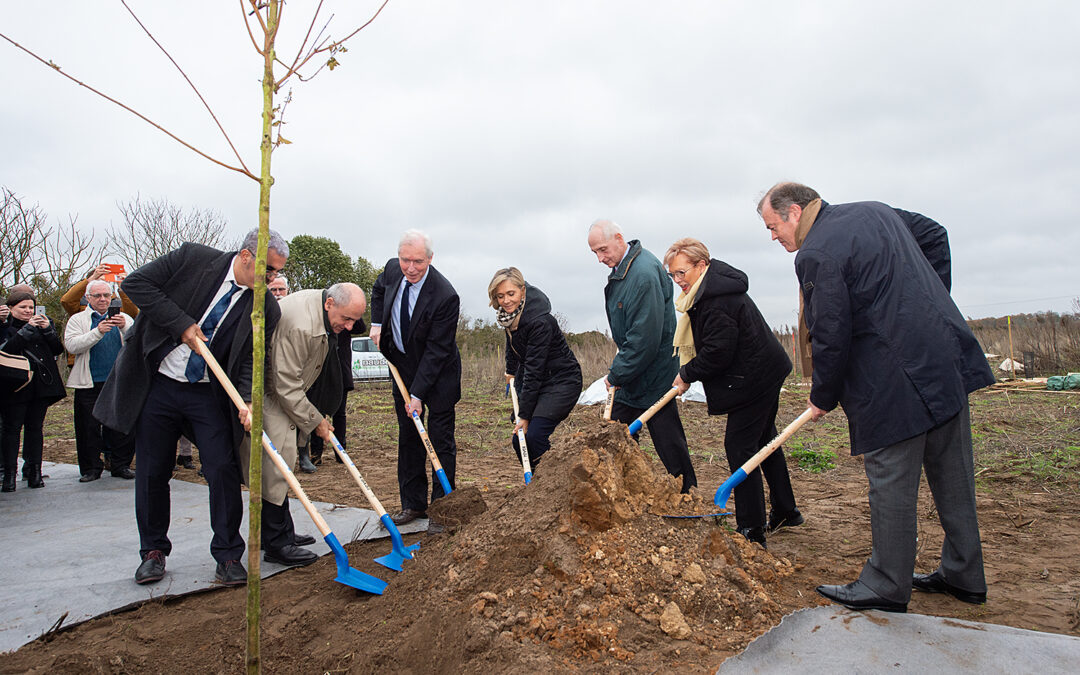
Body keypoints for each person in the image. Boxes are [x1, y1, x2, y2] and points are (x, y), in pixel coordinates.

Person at [758, 181, 994, 613]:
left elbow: (829, 331)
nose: (773, 237)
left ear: (794, 212)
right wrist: (924, 302)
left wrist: (822, 395)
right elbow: (934, 234)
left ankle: (886, 583)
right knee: (953, 475)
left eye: (773, 226)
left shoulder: (816, 253)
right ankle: (965, 573)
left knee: (889, 482)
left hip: (891, 382)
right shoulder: (875, 211)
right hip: (942, 358)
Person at [94, 229, 287, 586]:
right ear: (246, 256)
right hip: (160, 384)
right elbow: (136, 285)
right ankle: (152, 552)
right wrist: (181, 324)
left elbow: (250, 360)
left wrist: (245, 399)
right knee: (152, 470)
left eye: (277, 272)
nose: (272, 279)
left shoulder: (266, 308)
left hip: (208, 394)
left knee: (222, 469)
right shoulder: (194, 259)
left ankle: (228, 556)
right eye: (268, 270)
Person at [664, 238, 799, 547]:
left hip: (754, 378)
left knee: (739, 447)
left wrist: (686, 373)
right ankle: (786, 509)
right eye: (673, 275)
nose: (678, 281)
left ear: (701, 266)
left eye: (681, 273)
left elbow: (717, 352)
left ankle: (751, 529)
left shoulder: (715, 300)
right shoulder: (710, 290)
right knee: (765, 441)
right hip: (761, 371)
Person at [241, 283, 367, 567]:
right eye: (345, 319)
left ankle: (282, 533)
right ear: (329, 303)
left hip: (284, 392)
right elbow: (285, 386)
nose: (348, 327)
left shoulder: (322, 312)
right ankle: (276, 543)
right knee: (276, 465)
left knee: (281, 465)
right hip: (267, 394)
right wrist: (316, 422)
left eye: (353, 320)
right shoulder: (301, 326)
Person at [586, 219, 697, 493]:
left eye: (603, 250)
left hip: (653, 374)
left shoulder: (643, 274)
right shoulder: (625, 270)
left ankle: (688, 495)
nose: (600, 258)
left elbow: (644, 338)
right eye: (595, 253)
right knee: (616, 437)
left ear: (619, 239)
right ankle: (621, 494)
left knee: (667, 438)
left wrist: (617, 374)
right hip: (634, 372)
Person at [370, 230, 461, 526]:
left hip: (439, 373)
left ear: (430, 259)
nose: (410, 268)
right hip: (403, 369)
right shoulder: (392, 269)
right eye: (405, 260)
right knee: (408, 437)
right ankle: (413, 504)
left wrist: (418, 396)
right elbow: (379, 289)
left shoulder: (445, 296)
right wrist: (376, 324)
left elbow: (437, 351)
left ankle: (442, 509)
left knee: (439, 439)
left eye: (418, 262)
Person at [488, 267, 582, 470]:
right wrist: (510, 370)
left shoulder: (539, 321)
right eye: (500, 296)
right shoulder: (511, 317)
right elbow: (512, 344)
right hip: (539, 380)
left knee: (535, 436)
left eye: (511, 294)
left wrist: (524, 415)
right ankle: (536, 490)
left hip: (562, 381)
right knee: (519, 440)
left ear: (523, 290)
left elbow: (533, 369)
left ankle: (556, 484)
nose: (506, 301)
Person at [63, 279, 136, 482]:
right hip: (89, 382)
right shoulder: (78, 320)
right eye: (98, 296)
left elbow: (137, 342)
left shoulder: (125, 318)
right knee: (88, 428)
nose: (103, 299)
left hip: (118, 381)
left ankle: (120, 465)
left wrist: (124, 328)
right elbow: (72, 346)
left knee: (120, 426)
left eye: (107, 295)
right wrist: (98, 332)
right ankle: (91, 468)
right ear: (88, 298)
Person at [1, 290, 66, 491]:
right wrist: (26, 330)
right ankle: (9, 475)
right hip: (15, 385)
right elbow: (7, 349)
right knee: (11, 430)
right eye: (22, 307)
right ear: (11, 309)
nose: (28, 311)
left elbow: (57, 349)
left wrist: (47, 330)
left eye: (31, 307)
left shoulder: (44, 325)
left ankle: (34, 471)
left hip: (41, 386)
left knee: (35, 429)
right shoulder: (6, 327)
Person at [307, 320, 366, 468]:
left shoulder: (346, 319)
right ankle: (316, 453)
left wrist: (351, 314)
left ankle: (341, 452)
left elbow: (360, 328)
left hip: (341, 372)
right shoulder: (321, 317)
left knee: (339, 414)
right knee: (318, 413)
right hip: (321, 374)